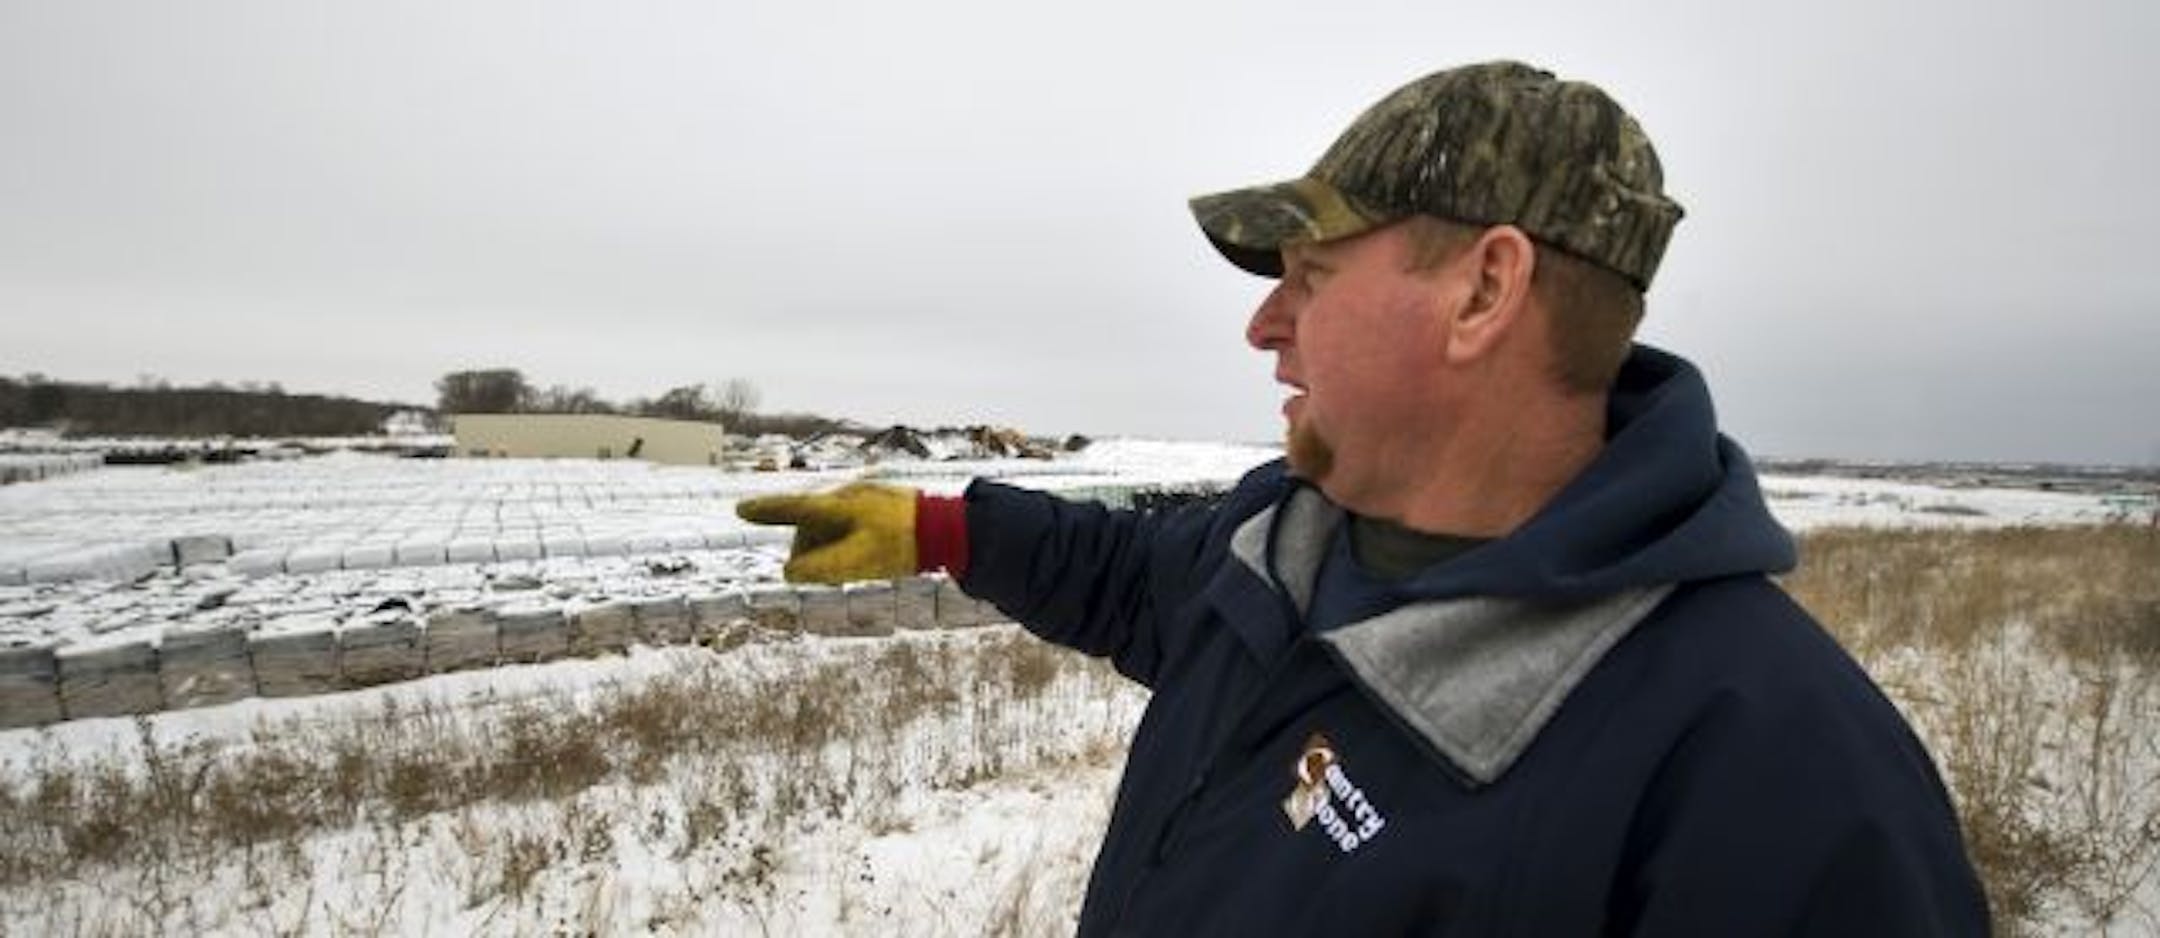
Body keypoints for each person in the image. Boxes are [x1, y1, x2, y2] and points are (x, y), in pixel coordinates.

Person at [739, 61, 1989, 936]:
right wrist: (942, 526)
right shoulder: (1280, 532)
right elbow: (1136, 578)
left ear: (1483, 294)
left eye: (1312, 274)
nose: (1263, 324)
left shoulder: (1773, 785)